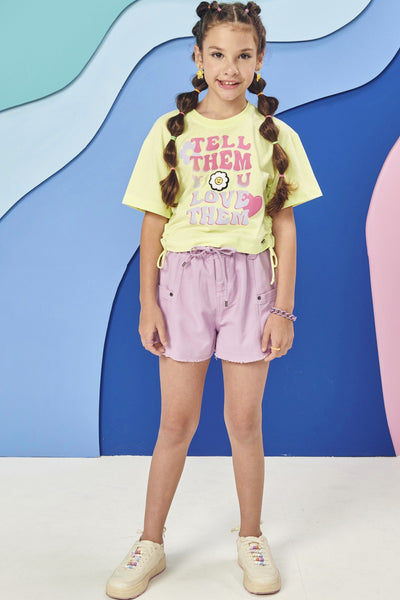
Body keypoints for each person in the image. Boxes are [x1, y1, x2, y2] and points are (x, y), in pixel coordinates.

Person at [106, 1, 323, 597]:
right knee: (175, 422)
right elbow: (153, 223)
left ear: (260, 60)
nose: (230, 68)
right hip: (183, 284)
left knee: (244, 422)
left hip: (252, 287)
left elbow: (285, 227)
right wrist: (148, 303)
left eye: (243, 55)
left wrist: (283, 308)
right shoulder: (170, 131)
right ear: (198, 58)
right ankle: (150, 543)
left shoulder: (275, 135)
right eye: (218, 55)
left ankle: (251, 536)